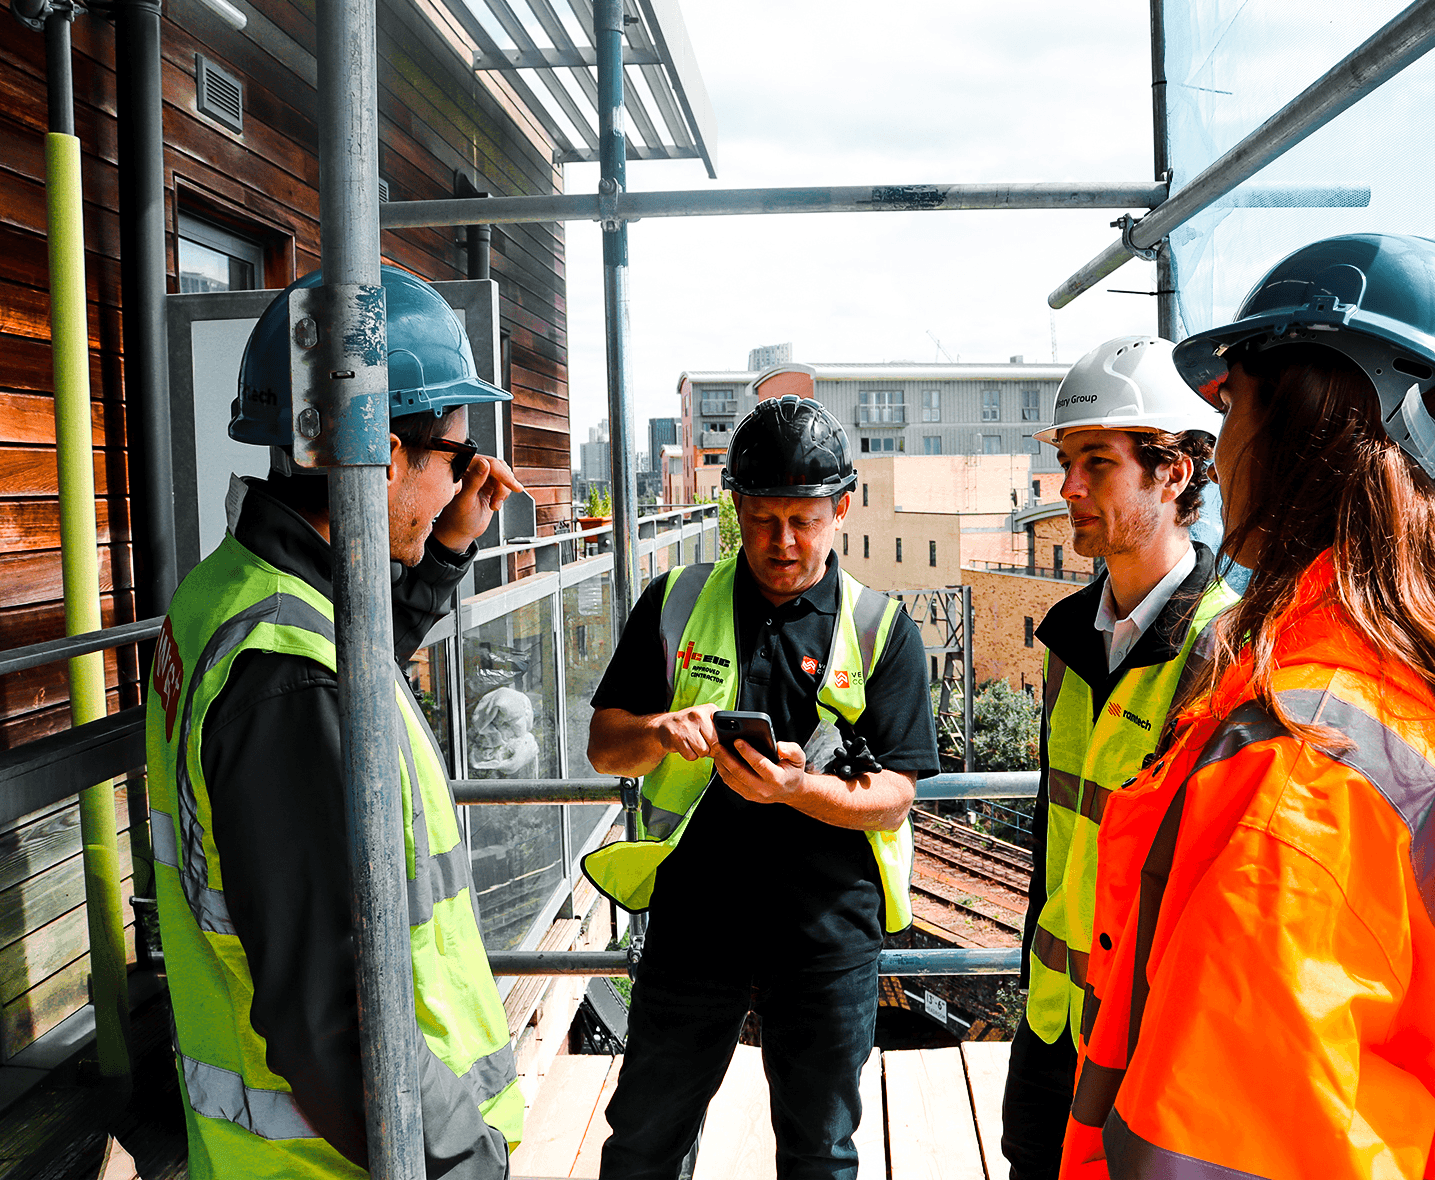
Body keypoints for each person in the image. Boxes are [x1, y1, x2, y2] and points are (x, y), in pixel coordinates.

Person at [1061, 233, 1435, 1178]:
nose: (1220, 459)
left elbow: (1214, 1145)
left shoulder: (1298, 773)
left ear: (1311, 415)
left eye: (1232, 410)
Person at [146, 266, 528, 1179]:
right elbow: (339, 1025)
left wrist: (444, 554)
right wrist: (466, 1165)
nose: (462, 482)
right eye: (456, 461)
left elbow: (354, 667)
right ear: (388, 457)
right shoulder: (287, 683)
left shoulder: (238, 594)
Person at [581, 395, 939, 1179]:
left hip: (826, 935)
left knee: (818, 1152)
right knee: (643, 1139)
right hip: (695, 924)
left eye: (804, 520)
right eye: (763, 518)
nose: (783, 543)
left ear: (841, 508)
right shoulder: (675, 602)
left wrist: (795, 793)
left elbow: (896, 792)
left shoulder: (881, 626)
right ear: (736, 506)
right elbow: (605, 749)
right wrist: (657, 731)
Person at [1000, 337, 1236, 1180]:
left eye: (1095, 462)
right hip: (1056, 1020)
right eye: (1067, 462)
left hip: (1148, 1041)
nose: (1066, 487)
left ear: (1173, 473)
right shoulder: (1069, 637)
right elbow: (1054, 835)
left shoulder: (1228, 648)